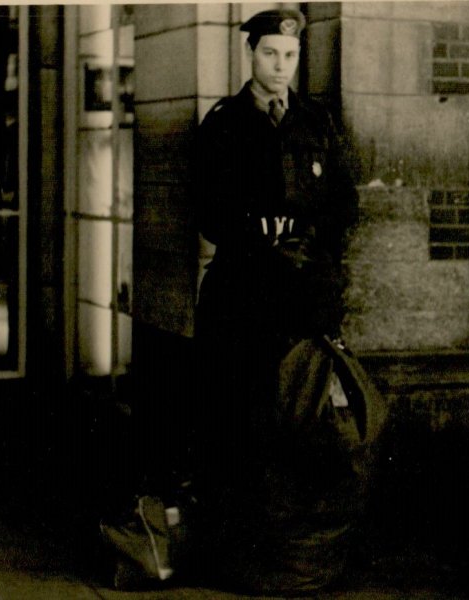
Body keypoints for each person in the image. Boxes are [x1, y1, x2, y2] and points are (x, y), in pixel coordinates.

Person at [192, 7, 358, 492]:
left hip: (303, 294)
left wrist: (313, 247)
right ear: (251, 53)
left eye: (290, 55)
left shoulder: (316, 121)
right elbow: (206, 211)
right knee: (239, 413)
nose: (281, 65)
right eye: (270, 53)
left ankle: (287, 523)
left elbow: (345, 202)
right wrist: (259, 238)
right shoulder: (224, 122)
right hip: (243, 291)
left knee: (299, 414)